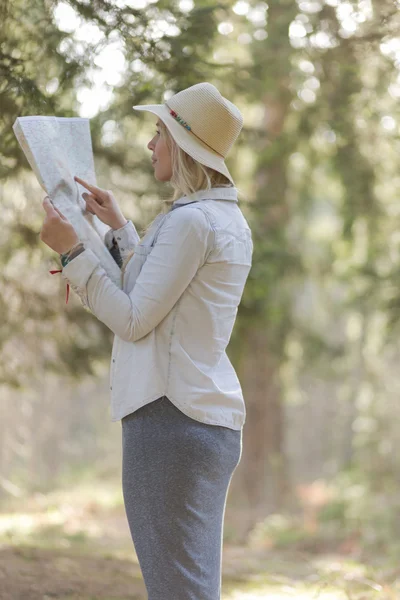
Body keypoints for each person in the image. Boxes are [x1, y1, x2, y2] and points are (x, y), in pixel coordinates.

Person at [40, 81, 253, 600]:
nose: (150, 144)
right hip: (202, 425)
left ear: (182, 145)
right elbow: (164, 298)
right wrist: (118, 230)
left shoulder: (191, 222)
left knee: (177, 591)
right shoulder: (222, 218)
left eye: (158, 132)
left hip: (168, 424)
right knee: (191, 588)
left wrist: (73, 255)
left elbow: (134, 319)